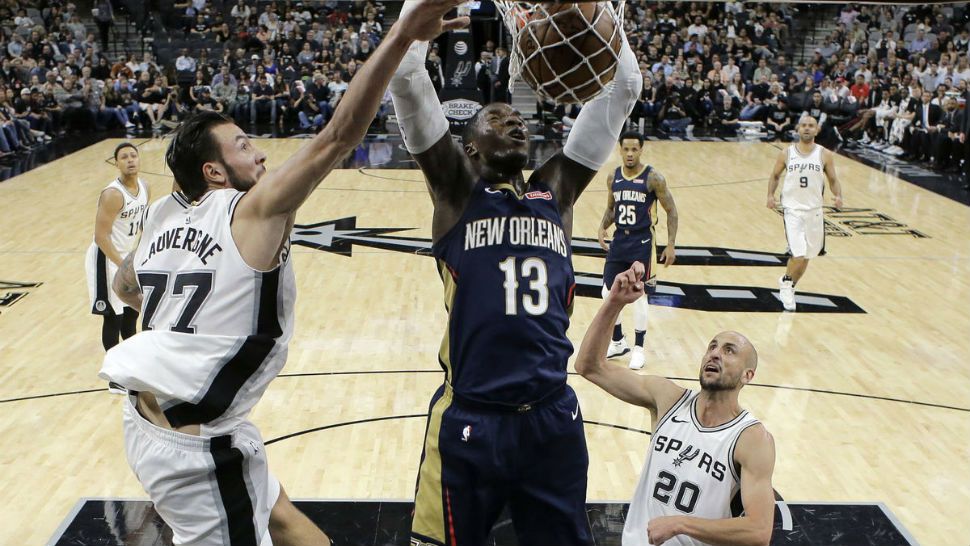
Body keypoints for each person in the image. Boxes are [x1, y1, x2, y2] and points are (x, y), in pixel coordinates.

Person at [100, 4, 469, 545]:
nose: (262, 154)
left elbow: (126, 287)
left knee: (281, 516)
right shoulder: (249, 210)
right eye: (245, 147)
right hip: (193, 453)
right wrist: (400, 35)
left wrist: (185, 318)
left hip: (154, 421)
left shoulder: (164, 216)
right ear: (215, 172)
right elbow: (339, 136)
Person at [389, 1, 640, 543]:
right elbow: (407, 78)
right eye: (496, 118)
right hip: (470, 420)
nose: (514, 121)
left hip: (551, 417)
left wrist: (605, 22)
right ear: (469, 144)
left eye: (517, 117)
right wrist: (417, 18)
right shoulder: (456, 192)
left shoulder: (556, 191)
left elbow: (623, 91)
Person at [575, 262, 776, 546]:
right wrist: (615, 303)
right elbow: (589, 366)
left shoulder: (751, 438)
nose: (715, 354)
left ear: (748, 375)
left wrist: (682, 524)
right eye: (712, 346)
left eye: (729, 350)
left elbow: (758, 531)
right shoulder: (668, 399)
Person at [597, 131, 678, 370]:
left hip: (642, 243)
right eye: (626, 149)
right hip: (620, 240)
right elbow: (612, 208)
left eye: (635, 149)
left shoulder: (653, 178)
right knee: (607, 293)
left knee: (639, 294)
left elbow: (671, 210)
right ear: (620, 150)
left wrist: (671, 244)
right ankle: (618, 340)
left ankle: (639, 348)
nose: (630, 154)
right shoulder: (613, 176)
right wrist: (602, 227)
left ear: (641, 150)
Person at [85, 142, 148, 394]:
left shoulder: (145, 187)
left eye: (134, 155)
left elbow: (142, 226)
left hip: (127, 258)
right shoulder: (112, 194)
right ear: (116, 162)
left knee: (132, 314)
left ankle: (132, 368)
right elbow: (101, 236)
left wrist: (139, 256)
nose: (130, 160)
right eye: (124, 157)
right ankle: (115, 377)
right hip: (106, 260)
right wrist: (123, 266)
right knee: (114, 318)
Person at [766, 115, 844, 312]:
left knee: (808, 254)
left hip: (814, 210)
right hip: (792, 209)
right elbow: (775, 176)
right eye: (804, 126)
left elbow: (833, 179)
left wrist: (838, 196)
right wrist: (770, 195)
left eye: (811, 126)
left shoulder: (824, 154)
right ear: (798, 129)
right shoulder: (787, 153)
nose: (807, 129)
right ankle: (785, 282)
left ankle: (790, 286)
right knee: (798, 253)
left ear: (817, 130)